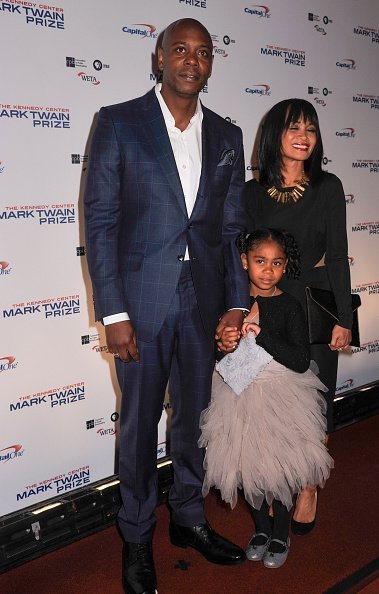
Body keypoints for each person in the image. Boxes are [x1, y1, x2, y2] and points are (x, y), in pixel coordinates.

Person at [84, 18, 250, 594]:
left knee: (196, 421)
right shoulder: (119, 123)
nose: (191, 60)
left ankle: (189, 519)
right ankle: (135, 535)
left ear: (210, 65)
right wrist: (113, 313)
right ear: (159, 58)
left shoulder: (228, 136)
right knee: (137, 428)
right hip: (140, 308)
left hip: (203, 306)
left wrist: (236, 301)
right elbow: (100, 224)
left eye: (202, 52)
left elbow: (232, 230)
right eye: (179, 49)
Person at [243, 99, 353, 536]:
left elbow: (339, 255)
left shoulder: (328, 187)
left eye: (310, 127)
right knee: (274, 404)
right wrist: (248, 305)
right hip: (270, 308)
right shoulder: (251, 193)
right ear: (275, 135)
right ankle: (274, 478)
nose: (304, 135)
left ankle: (308, 485)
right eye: (294, 127)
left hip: (317, 306)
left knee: (315, 403)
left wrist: (344, 317)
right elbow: (245, 255)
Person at [199, 228, 333, 568]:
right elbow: (218, 354)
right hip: (237, 396)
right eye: (260, 261)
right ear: (244, 262)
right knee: (248, 466)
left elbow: (301, 360)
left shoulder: (289, 305)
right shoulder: (232, 305)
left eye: (276, 263)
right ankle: (261, 529)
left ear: (285, 266)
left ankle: (280, 532)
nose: (268, 270)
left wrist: (262, 334)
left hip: (281, 394)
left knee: (281, 468)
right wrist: (224, 344)